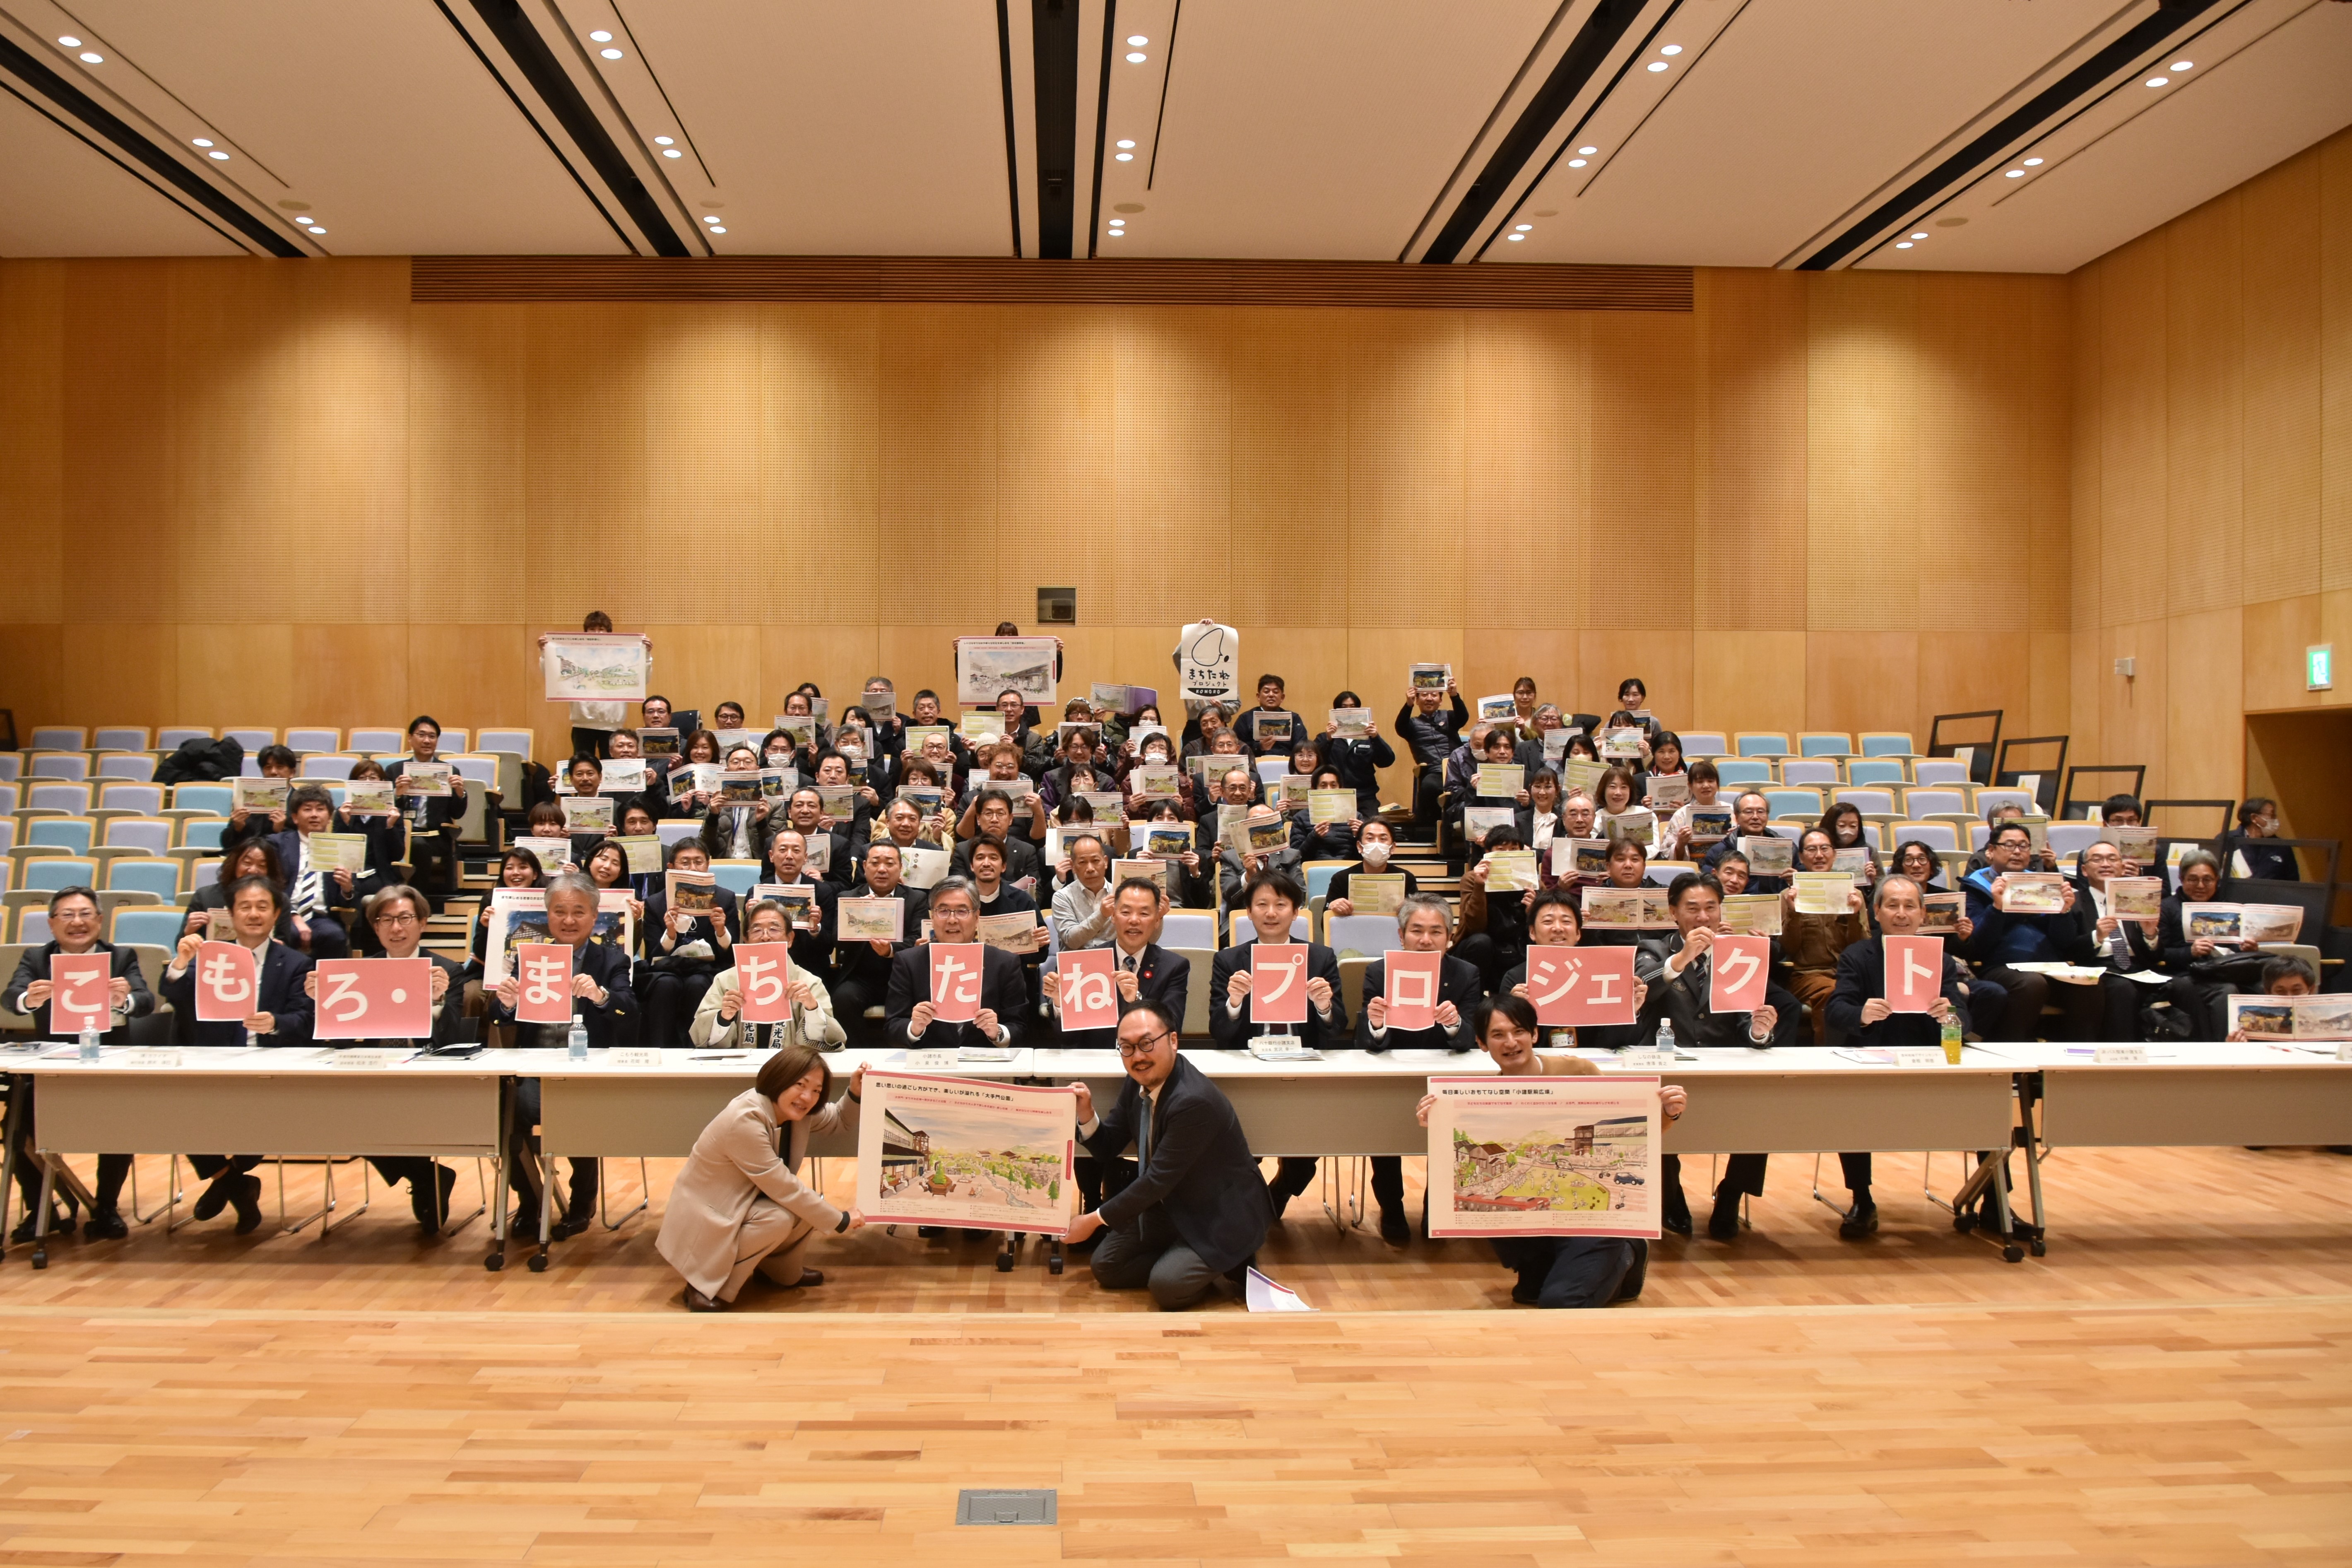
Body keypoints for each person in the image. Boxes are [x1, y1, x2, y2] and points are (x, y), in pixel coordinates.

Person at [1414, 995, 1686, 1307]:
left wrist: (1668, 1112)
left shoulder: (1578, 1070)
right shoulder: (1481, 1098)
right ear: (1482, 1043)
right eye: (1497, 1035)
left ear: (1534, 1034)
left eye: (1518, 1031)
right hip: (1538, 1230)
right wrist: (1435, 1128)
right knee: (1527, 1295)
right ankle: (1551, 1267)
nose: (1511, 1042)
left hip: (1593, 1225)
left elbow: (1630, 1137)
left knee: (1561, 1302)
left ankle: (1627, 1251)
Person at [1066, 999, 1270, 1310]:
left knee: (1167, 1288)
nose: (1137, 1056)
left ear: (1173, 1040)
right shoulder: (1137, 1080)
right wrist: (1086, 1113)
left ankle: (1228, 1258)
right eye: (1127, 1047)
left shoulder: (1193, 1100)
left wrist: (1093, 1220)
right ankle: (1186, 1257)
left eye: (1147, 1043)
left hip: (1218, 1212)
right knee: (1106, 1267)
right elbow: (1107, 1148)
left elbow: (1157, 1180)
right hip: (1170, 1205)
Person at [1822, 874, 1995, 1238]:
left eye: (1909, 906)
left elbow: (1962, 1020)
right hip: (1872, 1060)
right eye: (1892, 905)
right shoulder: (1858, 955)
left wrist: (1948, 1016)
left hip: (1929, 1061)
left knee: (1988, 1100)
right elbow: (1836, 1010)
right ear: (1877, 912)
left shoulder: (1941, 959)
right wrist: (1862, 1013)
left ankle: (1995, 1202)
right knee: (1848, 1101)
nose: (1901, 914)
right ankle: (1862, 1198)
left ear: (1922, 914)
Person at [1636, 872, 1798, 1239]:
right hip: (1667, 1066)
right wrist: (1682, 958)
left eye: (1711, 907)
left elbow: (1745, 1016)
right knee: (1656, 1123)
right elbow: (1641, 988)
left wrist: (1759, 1031)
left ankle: (1731, 1195)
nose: (1703, 917)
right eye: (1692, 909)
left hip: (1723, 1066)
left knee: (1758, 1122)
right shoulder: (1654, 949)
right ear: (1674, 912)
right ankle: (1671, 1198)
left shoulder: (1737, 954)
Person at [159, 874, 317, 1233]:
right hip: (215, 1065)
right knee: (179, 1112)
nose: (253, 914)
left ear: (277, 913)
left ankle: (229, 1183)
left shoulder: (295, 963)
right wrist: (181, 962)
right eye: (244, 906)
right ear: (230, 913)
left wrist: (276, 1022)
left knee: (265, 1115)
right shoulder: (210, 956)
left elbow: (306, 1019)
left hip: (272, 1067)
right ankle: (235, 1184)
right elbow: (175, 995)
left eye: (263, 906)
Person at [657, 1044, 868, 1311]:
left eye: (816, 1090)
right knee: (783, 1216)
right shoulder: (745, 1119)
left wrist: (855, 1093)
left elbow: (838, 1119)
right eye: (800, 1085)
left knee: (805, 1207)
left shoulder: (796, 1113)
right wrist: (841, 1220)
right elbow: (783, 1187)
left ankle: (776, 1272)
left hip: (745, 1203)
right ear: (779, 1079)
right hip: (709, 1214)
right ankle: (702, 1283)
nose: (808, 1097)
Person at [306, 884, 468, 1232]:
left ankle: (425, 1176)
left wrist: (438, 1003)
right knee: (334, 1112)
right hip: (372, 1071)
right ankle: (426, 1174)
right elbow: (340, 1039)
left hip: (427, 1074)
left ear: (423, 923)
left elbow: (455, 1040)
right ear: (375, 927)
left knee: (385, 1109)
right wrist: (322, 1003)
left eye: (405, 918)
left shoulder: (447, 971)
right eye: (386, 920)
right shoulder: (358, 973)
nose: (396, 928)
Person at [489, 870, 636, 1240]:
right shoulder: (531, 956)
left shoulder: (612, 960)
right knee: (506, 1115)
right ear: (547, 914)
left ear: (594, 914)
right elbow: (501, 1016)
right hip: (535, 1063)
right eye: (559, 911)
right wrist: (506, 1004)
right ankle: (531, 1199)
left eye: (578, 911)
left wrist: (600, 995)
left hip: (587, 1068)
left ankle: (583, 1200)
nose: (568, 920)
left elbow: (628, 1008)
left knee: (576, 1108)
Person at [3, 886, 151, 1242]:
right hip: (51, 1067)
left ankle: (106, 1208)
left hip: (110, 1062)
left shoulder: (121, 956)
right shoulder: (36, 958)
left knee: (118, 1122)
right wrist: (28, 999)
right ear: (52, 924)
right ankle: (41, 1209)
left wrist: (125, 1000)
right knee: (17, 1125)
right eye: (67, 915)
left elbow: (146, 1001)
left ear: (100, 921)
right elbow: (11, 996)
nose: (77, 922)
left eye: (86, 914)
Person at [1211, 871, 1347, 1215]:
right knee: (1242, 1151)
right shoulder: (1228, 961)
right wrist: (1235, 1003)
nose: (1271, 913)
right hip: (1249, 1071)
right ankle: (1243, 1208)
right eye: (1262, 904)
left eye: (1280, 904)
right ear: (1249, 912)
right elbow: (1219, 1032)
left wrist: (1324, 1006)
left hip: (1306, 1070)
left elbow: (1337, 1030)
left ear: (1296, 912)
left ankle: (1277, 1194)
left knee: (1306, 1151)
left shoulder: (1320, 957)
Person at [1352, 894, 1484, 1245]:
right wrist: (1377, 1024)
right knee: (1385, 1137)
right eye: (1417, 931)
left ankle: (1435, 1210)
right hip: (1391, 1072)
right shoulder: (1379, 971)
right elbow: (1365, 1038)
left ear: (1449, 937)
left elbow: (1470, 1037)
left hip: (1445, 1074)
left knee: (1447, 1143)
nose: (1426, 940)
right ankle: (1391, 1209)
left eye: (1436, 932)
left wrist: (1455, 1024)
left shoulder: (1466, 973)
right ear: (1401, 936)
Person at [1961, 820, 2095, 1041]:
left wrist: (2064, 912)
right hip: (1999, 966)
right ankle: (2013, 1058)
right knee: (2031, 984)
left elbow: (2064, 943)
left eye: (2024, 846)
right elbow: (1978, 945)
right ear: (1991, 852)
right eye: (2009, 845)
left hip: (2050, 966)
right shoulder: (1975, 888)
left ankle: (2075, 1061)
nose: (2017, 852)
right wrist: (1997, 907)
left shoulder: (2045, 885)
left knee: (2087, 984)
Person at [884, 878, 1029, 1050]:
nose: (952, 920)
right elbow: (892, 1028)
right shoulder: (909, 962)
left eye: (962, 911)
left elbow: (1020, 1027)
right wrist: (914, 1028)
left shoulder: (1004, 963)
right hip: (928, 1064)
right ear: (932, 916)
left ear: (977, 917)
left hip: (985, 1066)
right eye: (943, 911)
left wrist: (996, 1032)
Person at [1499, 886, 1649, 1052]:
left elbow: (1616, 1043)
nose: (1558, 928)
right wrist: (1514, 1014)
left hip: (1592, 1068)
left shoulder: (1601, 975)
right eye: (1548, 922)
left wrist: (1629, 1010)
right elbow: (1508, 1045)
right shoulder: (1516, 979)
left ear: (1578, 933)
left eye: (1566, 921)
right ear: (1533, 932)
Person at [690, 901, 845, 1051]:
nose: (765, 937)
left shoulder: (809, 983)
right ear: (746, 939)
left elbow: (824, 1043)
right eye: (757, 930)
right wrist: (723, 1018)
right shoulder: (725, 980)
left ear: (790, 939)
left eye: (774, 929)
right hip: (739, 1072)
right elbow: (702, 1037)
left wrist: (812, 1008)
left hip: (790, 1070)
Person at [638, 839, 739, 1048]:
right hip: (667, 970)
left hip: (708, 970)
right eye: (685, 862)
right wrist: (671, 934)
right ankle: (660, 1051)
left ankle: (703, 1049)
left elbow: (731, 957)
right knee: (666, 985)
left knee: (697, 984)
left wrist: (721, 931)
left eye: (698, 862)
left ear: (708, 864)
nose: (693, 868)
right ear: (671, 868)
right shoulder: (656, 903)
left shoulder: (725, 898)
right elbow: (652, 958)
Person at [826, 840, 925, 1036]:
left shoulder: (917, 899)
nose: (882, 869)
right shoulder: (849, 897)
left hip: (902, 977)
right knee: (843, 1000)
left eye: (889, 864)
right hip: (860, 977)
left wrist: (890, 950)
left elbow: (917, 939)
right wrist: (857, 913)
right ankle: (857, 1055)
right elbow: (837, 941)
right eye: (875, 863)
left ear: (901, 868)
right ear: (864, 867)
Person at [1778, 830, 1868, 1041]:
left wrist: (1854, 917)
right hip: (1807, 975)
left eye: (1825, 848)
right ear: (1801, 858)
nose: (1819, 855)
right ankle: (1829, 1060)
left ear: (1835, 854)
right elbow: (1787, 950)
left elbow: (1862, 949)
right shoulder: (1787, 897)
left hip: (1847, 973)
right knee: (1833, 993)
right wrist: (1794, 913)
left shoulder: (1855, 895)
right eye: (1811, 850)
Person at [2156, 850, 2252, 1039]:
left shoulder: (2228, 910)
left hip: (2222, 971)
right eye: (2193, 879)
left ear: (2217, 880)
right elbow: (2159, 953)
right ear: (2181, 879)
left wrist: (2245, 949)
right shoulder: (2166, 908)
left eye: (2208, 880)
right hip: (2183, 974)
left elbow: (2234, 948)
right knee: (2226, 991)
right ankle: (2221, 1048)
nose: (2200, 886)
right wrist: (2190, 952)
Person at [382, 715, 475, 897]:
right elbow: (383, 810)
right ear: (410, 739)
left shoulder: (449, 771)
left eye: (432, 737)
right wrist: (397, 794)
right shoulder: (394, 771)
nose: (427, 741)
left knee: (418, 846)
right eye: (421, 735)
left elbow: (457, 813)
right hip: (400, 834)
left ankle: (418, 901)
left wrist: (460, 793)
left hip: (435, 837)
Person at [1450, 826, 1532, 991]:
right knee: (1481, 942)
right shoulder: (1472, 879)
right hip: (1483, 942)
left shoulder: (1530, 880)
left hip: (1516, 941)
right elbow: (1474, 927)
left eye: (1514, 849)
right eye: (1501, 850)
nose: (1508, 855)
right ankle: (1473, 997)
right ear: (1488, 851)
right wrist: (1480, 886)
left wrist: (1533, 911)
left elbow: (1538, 927)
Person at [760, 828, 838, 982]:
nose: (789, 856)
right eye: (783, 850)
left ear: (805, 858)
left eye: (796, 851)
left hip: (810, 968)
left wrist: (816, 929)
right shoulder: (758, 893)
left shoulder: (822, 892)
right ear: (771, 856)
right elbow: (748, 944)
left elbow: (829, 946)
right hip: (767, 967)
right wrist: (753, 919)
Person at [1395, 672, 1468, 837]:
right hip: (1434, 771)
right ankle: (1435, 828)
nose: (1429, 698)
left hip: (1456, 769)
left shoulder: (1449, 716)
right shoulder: (1412, 724)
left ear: (1441, 700)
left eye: (1434, 695)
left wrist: (1455, 696)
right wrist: (1408, 705)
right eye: (1424, 695)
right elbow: (1400, 728)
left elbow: (1463, 718)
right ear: (1418, 700)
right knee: (1430, 787)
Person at [951, 787, 1045, 889]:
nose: (994, 820)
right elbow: (956, 889)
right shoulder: (963, 849)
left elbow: (1036, 891)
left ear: (1010, 819)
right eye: (988, 814)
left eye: (1000, 814)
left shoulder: (1026, 851)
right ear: (978, 819)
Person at [1323, 690, 1396, 820]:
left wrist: (1376, 737)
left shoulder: (1368, 738)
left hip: (1365, 797)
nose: (1349, 712)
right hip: (1335, 796)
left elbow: (1387, 761)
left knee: (1372, 827)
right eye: (1344, 708)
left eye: (1353, 708)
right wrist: (1328, 740)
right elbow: (1317, 761)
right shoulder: (1327, 738)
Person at [1323, 818, 1416, 916]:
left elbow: (1416, 919)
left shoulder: (1407, 879)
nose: (1377, 844)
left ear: (1392, 848)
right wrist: (1332, 906)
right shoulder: (1341, 879)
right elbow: (1324, 926)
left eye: (1383, 839)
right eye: (1370, 839)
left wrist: (1408, 910)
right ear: (1360, 847)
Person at [221, 744, 300, 853]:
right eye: (268, 768)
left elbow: (303, 841)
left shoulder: (300, 801)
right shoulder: (249, 797)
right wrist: (237, 828)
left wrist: (281, 830)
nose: (273, 772)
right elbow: (226, 844)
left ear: (292, 772)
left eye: (280, 767)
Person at [698, 744, 771, 861]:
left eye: (748, 762)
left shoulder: (772, 805)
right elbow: (704, 848)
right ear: (727, 771)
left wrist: (762, 823)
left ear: (758, 770)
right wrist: (713, 816)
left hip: (759, 867)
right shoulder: (716, 803)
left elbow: (777, 848)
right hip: (723, 866)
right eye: (736, 762)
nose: (742, 767)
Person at [1051, 831, 1117, 952]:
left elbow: (1141, 941)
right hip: (1075, 964)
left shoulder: (1120, 894)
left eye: (1096, 861)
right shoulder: (1062, 897)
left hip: (1115, 963)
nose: (1090, 869)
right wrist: (1102, 915)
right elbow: (1071, 941)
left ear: (1106, 862)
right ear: (1074, 867)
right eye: (1082, 862)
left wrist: (1158, 919)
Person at [2223, 797, 2295, 880]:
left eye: (2274, 816)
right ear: (2254, 818)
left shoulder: (2282, 847)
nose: (2275, 820)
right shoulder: (2228, 840)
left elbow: (2293, 882)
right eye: (2271, 815)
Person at [1238, 674, 1304, 757]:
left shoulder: (1294, 718)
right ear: (1258, 697)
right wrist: (1259, 747)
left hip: (1287, 763)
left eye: (1276, 692)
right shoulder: (1245, 719)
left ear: (1282, 698)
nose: (1271, 695)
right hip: (1255, 764)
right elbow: (1238, 747)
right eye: (1266, 692)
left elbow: (1301, 746)